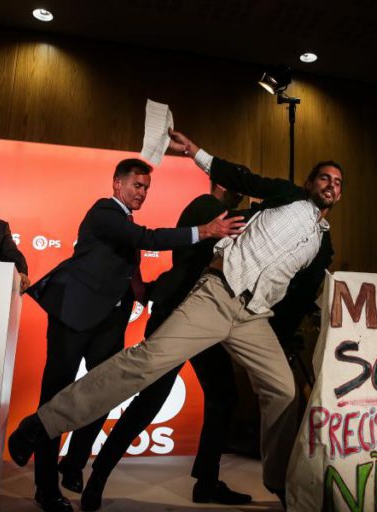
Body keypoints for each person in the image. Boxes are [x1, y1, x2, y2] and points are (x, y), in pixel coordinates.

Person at [9, 133, 343, 509]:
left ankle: (279, 482)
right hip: (215, 296)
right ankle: (42, 426)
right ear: (310, 184)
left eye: (338, 183)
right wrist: (195, 152)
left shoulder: (322, 243)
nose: (331, 186)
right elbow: (239, 179)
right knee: (144, 366)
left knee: (281, 390)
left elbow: (299, 297)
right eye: (324, 178)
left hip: (253, 317)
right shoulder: (283, 199)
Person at [23, 158, 244, 512]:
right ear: (117, 184)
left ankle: (74, 463)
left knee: (106, 392)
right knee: (54, 401)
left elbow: (131, 268)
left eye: (146, 188)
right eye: (137, 186)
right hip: (72, 316)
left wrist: (147, 293)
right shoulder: (104, 212)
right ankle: (45, 487)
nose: (142, 193)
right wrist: (204, 232)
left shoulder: (124, 220)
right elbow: (145, 239)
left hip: (109, 324)